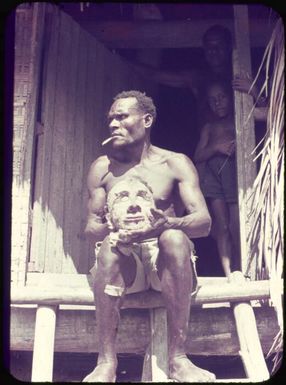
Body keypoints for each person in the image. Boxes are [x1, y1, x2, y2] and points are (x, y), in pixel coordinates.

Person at [83, 90, 215, 382]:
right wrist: (117, 229)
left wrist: (163, 225)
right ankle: (106, 362)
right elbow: (90, 229)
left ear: (147, 119)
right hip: (126, 269)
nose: (113, 124)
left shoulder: (174, 163)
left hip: (164, 263)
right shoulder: (103, 169)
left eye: (121, 117)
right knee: (109, 246)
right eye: (111, 119)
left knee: (174, 238)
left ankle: (179, 359)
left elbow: (204, 223)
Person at [194, 80, 240, 278]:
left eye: (221, 97)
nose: (218, 103)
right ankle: (229, 273)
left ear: (230, 97)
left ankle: (242, 268)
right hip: (214, 178)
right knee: (221, 227)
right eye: (213, 100)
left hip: (234, 176)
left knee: (236, 225)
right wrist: (216, 148)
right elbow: (197, 156)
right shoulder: (209, 127)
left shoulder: (240, 119)